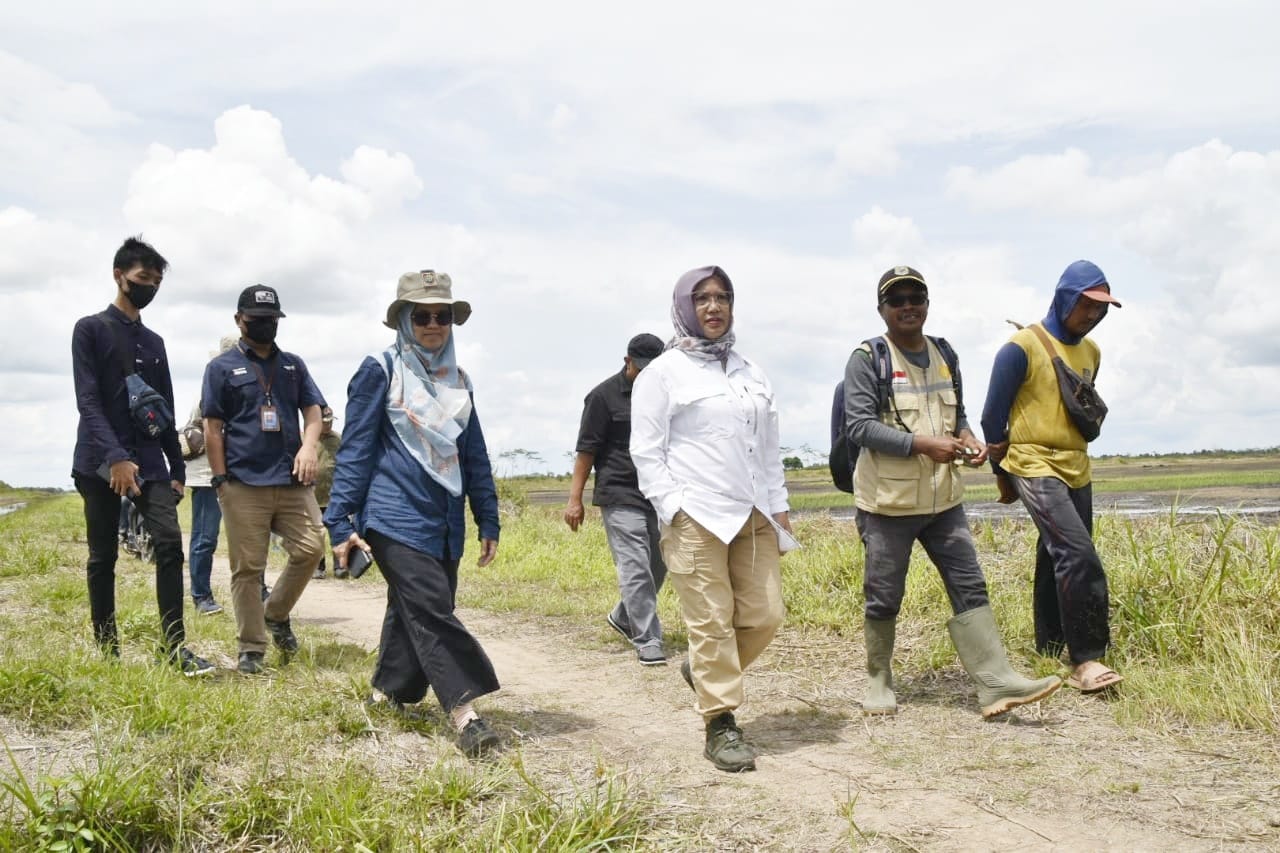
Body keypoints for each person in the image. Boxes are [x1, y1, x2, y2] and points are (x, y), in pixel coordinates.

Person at [844, 266, 1061, 718]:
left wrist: (967, 440)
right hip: (888, 503)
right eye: (897, 300)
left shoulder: (945, 354)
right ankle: (878, 678)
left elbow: (956, 416)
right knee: (884, 593)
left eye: (916, 297)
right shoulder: (868, 359)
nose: (908, 306)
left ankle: (995, 682)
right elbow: (859, 427)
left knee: (969, 583)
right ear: (882, 309)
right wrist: (922, 445)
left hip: (944, 500)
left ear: (927, 303)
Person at [323, 270, 502, 758]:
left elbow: (474, 455)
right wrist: (340, 522)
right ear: (403, 319)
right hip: (392, 513)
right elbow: (355, 449)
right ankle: (465, 713)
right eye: (420, 315)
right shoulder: (379, 371)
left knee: (412, 606)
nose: (432, 324)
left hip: (443, 521)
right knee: (431, 608)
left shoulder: (459, 382)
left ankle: (388, 692)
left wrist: (487, 516)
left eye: (441, 316)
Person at [631, 265, 790, 773]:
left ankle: (702, 670)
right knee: (712, 623)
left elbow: (768, 450)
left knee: (766, 614)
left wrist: (780, 505)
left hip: (753, 512)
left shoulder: (751, 372)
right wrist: (672, 507)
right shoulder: (663, 373)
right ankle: (720, 724)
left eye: (723, 297)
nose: (714, 307)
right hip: (696, 516)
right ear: (684, 307)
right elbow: (646, 451)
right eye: (702, 299)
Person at [70, 236, 214, 676]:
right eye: (142, 278)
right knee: (102, 556)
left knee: (169, 544)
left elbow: (163, 407)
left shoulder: (154, 341)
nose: (149, 286)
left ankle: (174, 648)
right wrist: (114, 456)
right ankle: (107, 649)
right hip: (99, 458)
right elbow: (88, 401)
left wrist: (176, 469)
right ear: (120, 276)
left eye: (155, 280)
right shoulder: (89, 329)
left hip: (150, 460)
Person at [981, 260, 1124, 694]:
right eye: (1086, 306)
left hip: (1076, 464)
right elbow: (992, 418)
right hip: (1031, 462)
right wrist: (1002, 474)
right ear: (1065, 298)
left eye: (1101, 309)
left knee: (1056, 553)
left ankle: (1051, 644)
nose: (1093, 315)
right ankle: (1087, 660)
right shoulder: (1020, 348)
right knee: (1078, 555)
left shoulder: (1092, 352)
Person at [201, 284, 326, 675]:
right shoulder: (220, 368)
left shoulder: (293, 365)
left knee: (310, 549)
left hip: (291, 481)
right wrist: (221, 480)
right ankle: (251, 649)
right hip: (243, 484)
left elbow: (314, 411)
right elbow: (212, 428)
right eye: (257, 320)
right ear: (240, 321)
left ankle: (275, 613)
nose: (265, 326)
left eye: (271, 320)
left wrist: (309, 447)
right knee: (248, 568)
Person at [564, 333, 670, 666]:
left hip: (658, 493)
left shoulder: (666, 394)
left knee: (660, 562)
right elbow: (586, 452)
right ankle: (648, 637)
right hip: (619, 492)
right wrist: (574, 499)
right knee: (635, 567)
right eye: (641, 369)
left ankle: (625, 615)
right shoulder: (602, 397)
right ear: (627, 362)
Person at [180, 336, 239, 615]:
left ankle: (258, 592)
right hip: (207, 475)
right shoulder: (211, 390)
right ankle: (201, 596)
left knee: (251, 537)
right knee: (205, 537)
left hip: (239, 472)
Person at [312, 406, 344, 579]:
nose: (328, 424)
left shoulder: (338, 439)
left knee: (337, 532)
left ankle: (340, 566)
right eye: (325, 422)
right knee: (317, 534)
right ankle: (319, 567)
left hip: (333, 495)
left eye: (330, 421)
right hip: (313, 496)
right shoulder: (308, 439)